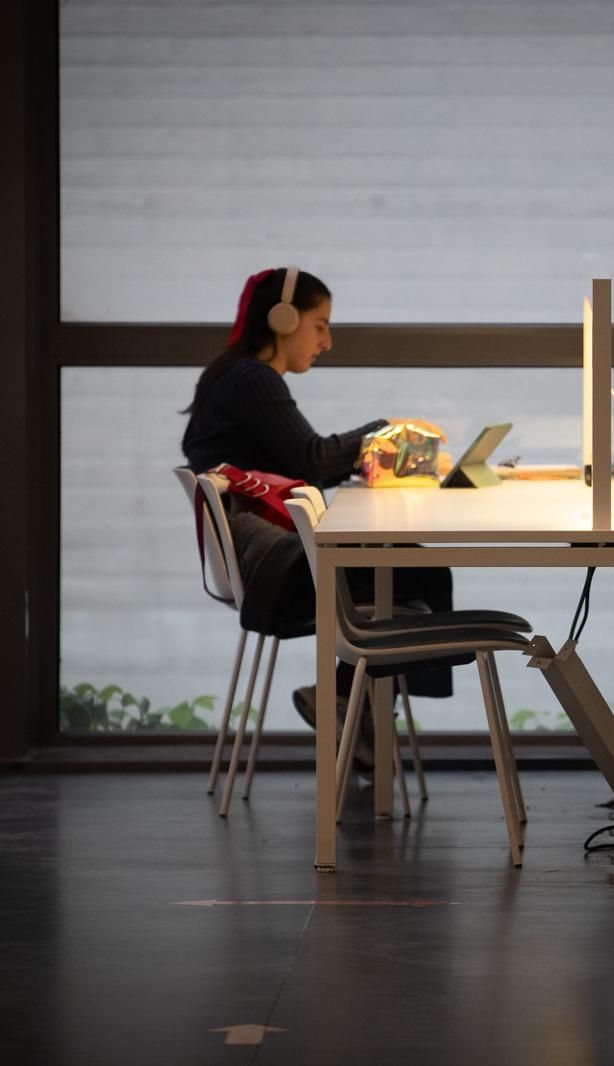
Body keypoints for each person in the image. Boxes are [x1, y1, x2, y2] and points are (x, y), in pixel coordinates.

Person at [181, 266, 454, 763]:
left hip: (266, 558)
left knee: (414, 566)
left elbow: (302, 467)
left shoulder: (237, 377)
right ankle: (356, 709)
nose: (326, 342)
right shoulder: (251, 380)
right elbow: (312, 458)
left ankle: (356, 709)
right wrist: (387, 429)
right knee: (419, 568)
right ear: (284, 319)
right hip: (273, 568)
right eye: (320, 325)